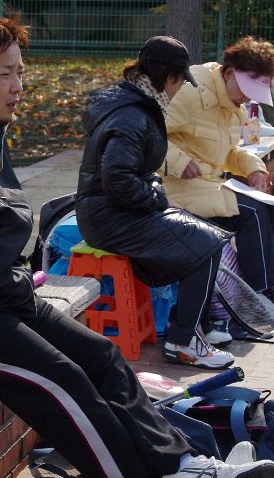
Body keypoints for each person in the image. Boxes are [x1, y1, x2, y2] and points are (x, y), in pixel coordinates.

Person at [0, 15, 274, 478]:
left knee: (103, 357)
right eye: (5, 74)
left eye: (21, 72)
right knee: (64, 380)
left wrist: (5, 280)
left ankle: (182, 468)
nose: (18, 87)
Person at [75, 36, 238, 368]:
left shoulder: (134, 103)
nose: (181, 88)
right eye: (180, 81)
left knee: (207, 237)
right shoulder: (132, 115)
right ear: (169, 78)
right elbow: (118, 177)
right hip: (110, 218)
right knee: (207, 244)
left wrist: (152, 190)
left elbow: (126, 173)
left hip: (112, 212)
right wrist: (154, 196)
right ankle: (184, 341)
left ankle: (190, 331)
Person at [162, 36, 274, 325]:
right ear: (229, 72)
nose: (246, 99)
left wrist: (254, 168)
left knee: (272, 206)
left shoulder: (234, 106)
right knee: (252, 211)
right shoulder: (190, 91)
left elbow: (229, 152)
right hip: (175, 188)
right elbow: (147, 136)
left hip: (207, 186)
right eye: (246, 91)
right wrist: (178, 161)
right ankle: (259, 294)